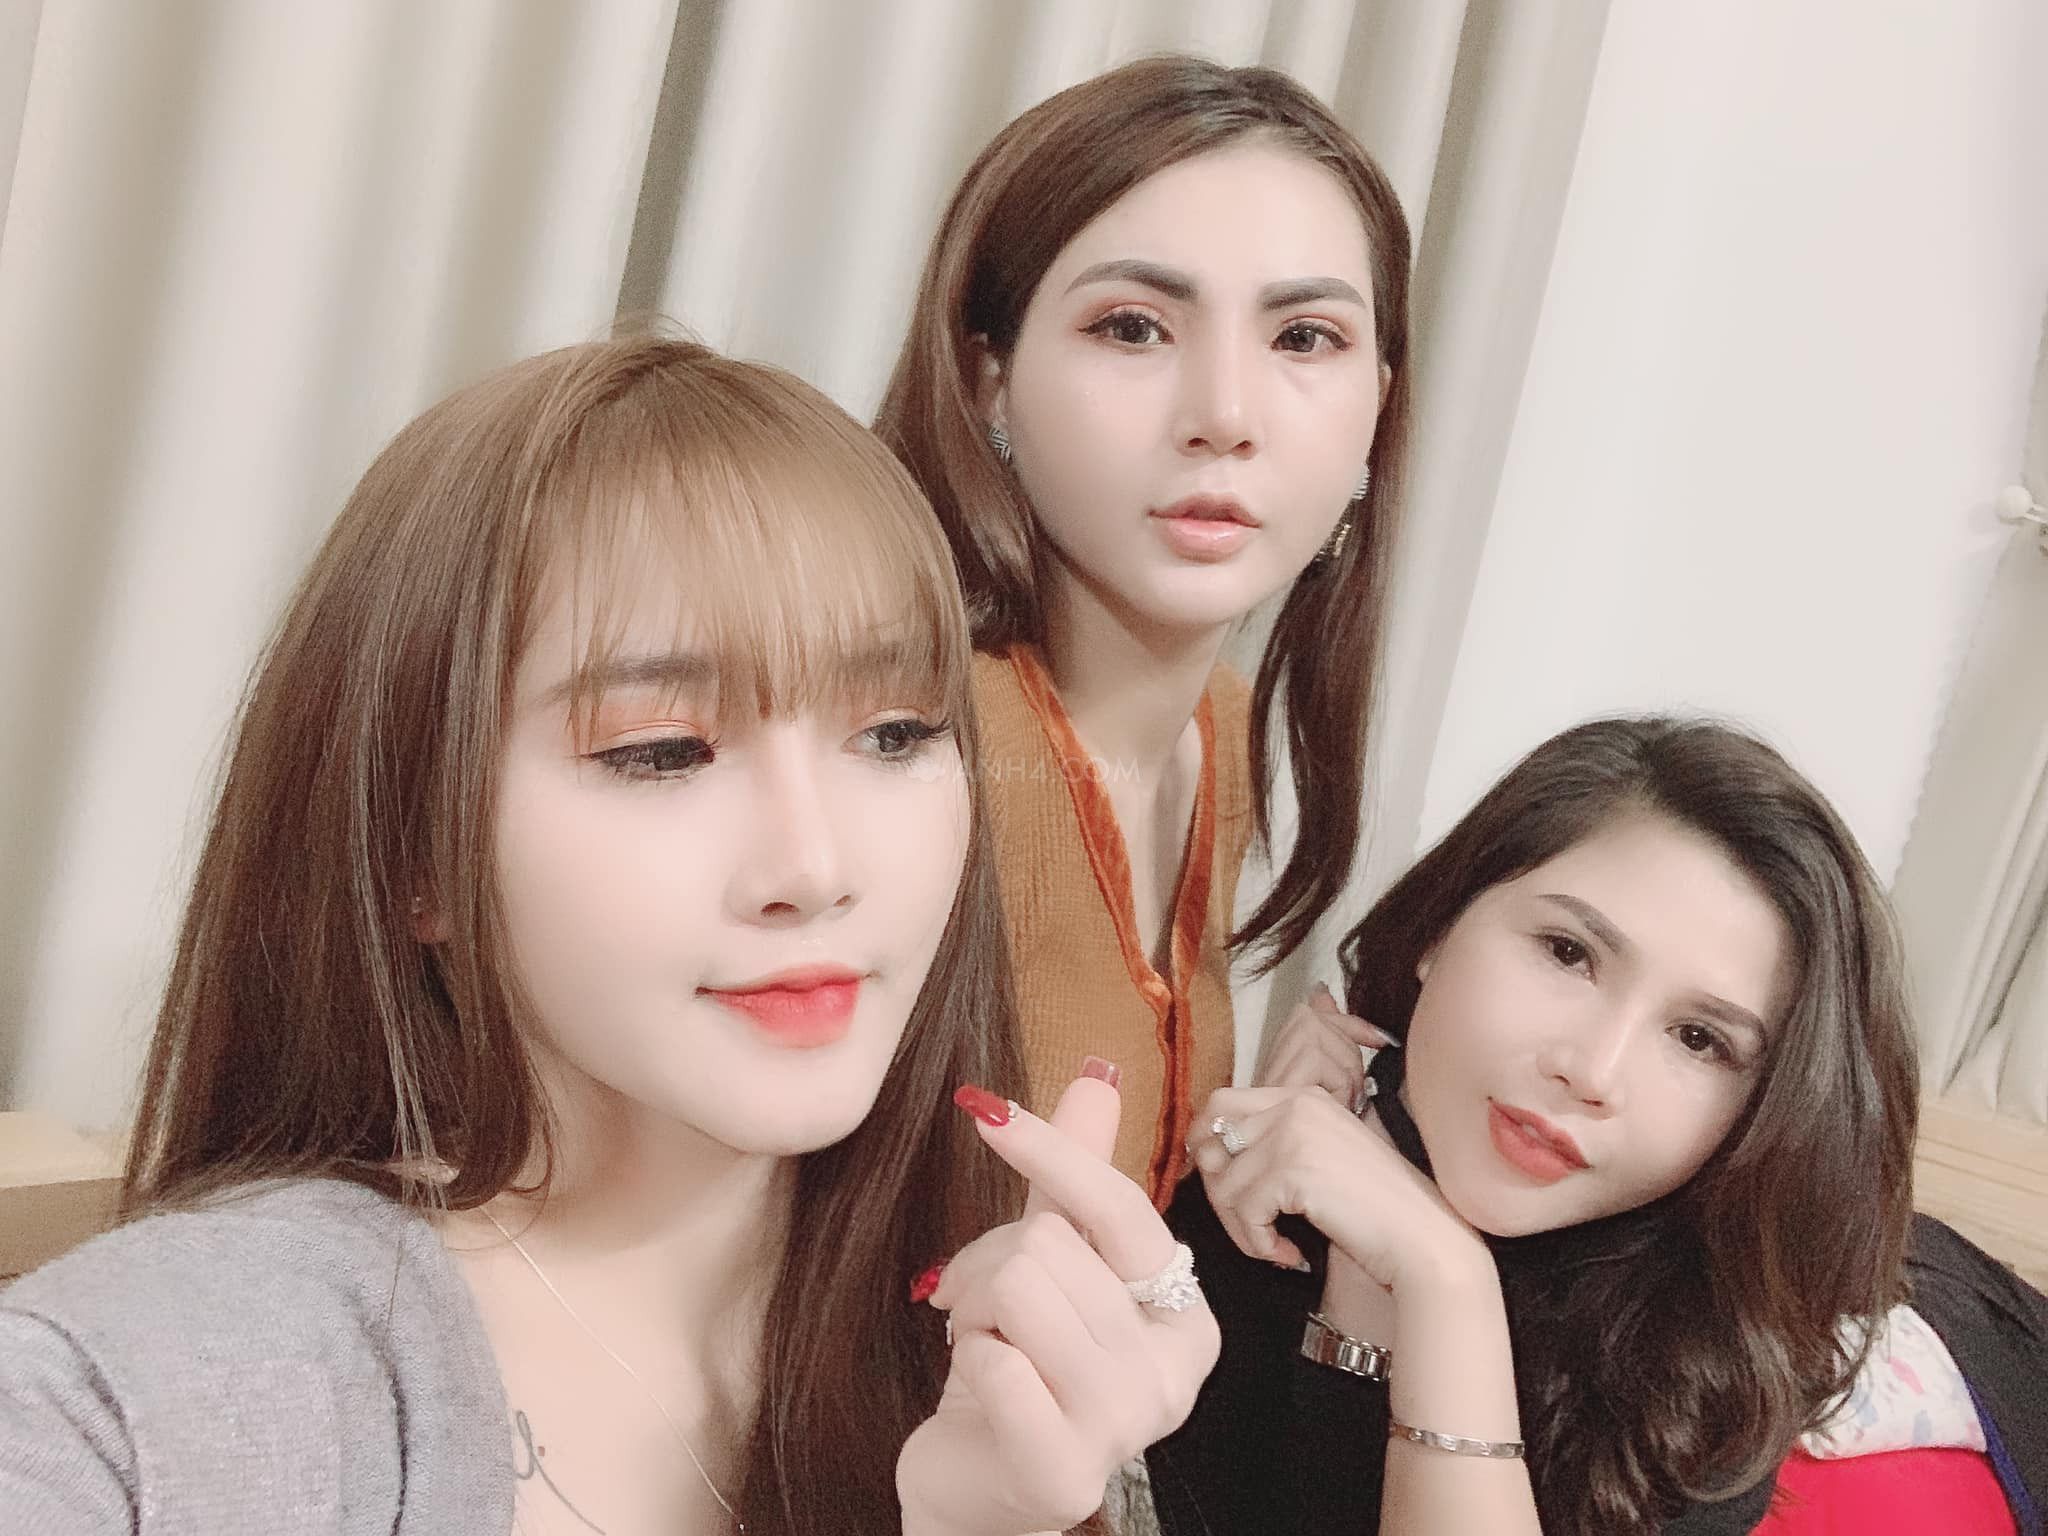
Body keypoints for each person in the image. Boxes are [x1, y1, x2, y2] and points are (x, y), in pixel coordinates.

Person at [0, 335, 1218, 1535]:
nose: (814, 868)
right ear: (420, 847)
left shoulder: (984, 1345)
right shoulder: (150, 1398)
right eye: (662, 752)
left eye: (895, 733)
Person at [1150, 717, 2048, 1534]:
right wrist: (1359, 1284)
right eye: (1568, 952)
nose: (1592, 1071)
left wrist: (1444, 1283)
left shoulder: (1712, 1338)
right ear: (1439, 927)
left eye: (1698, 1039)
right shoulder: (1243, 1223)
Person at [875, 55, 1412, 1204]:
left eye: (1302, 338)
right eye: (1132, 327)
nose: (1224, 414)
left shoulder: (1219, 727)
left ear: (1378, 402)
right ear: (986, 377)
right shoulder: (902, 746)